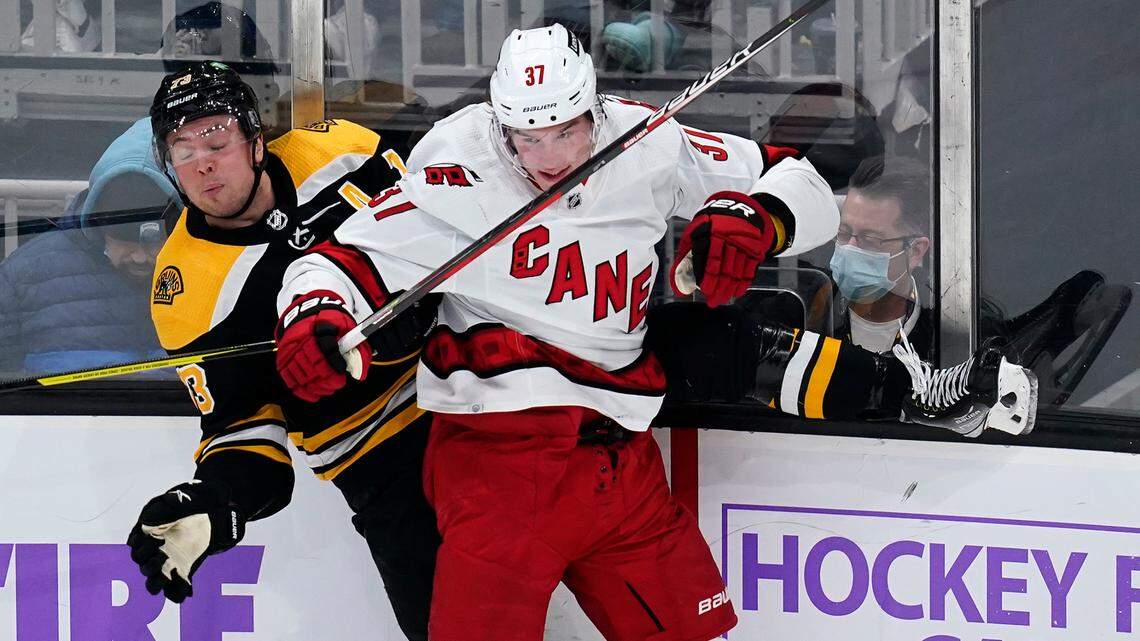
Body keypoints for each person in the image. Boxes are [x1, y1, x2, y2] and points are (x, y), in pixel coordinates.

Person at [273, 25, 1038, 641]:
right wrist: (313, 317)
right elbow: (343, 261)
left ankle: (916, 391)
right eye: (525, 138)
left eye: (564, 133)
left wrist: (755, 219)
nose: (544, 158)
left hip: (621, 467)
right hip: (498, 469)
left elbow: (802, 186)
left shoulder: (647, 145)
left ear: (594, 108)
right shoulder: (458, 165)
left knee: (729, 345)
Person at [123, 62, 439, 641]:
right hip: (384, 465)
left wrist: (421, 303)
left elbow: (447, 217)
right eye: (182, 150)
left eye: (216, 139)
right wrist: (217, 503)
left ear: (255, 139)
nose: (203, 163)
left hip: (482, 393)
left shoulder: (340, 150)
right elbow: (245, 431)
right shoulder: (185, 291)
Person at [0, 117, 179, 376]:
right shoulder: (22, 277)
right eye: (122, 239)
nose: (140, 258)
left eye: (153, 241)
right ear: (96, 226)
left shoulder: (221, 271)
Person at [829, 156, 934, 357]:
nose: (850, 249)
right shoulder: (803, 315)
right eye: (843, 233)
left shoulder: (953, 332)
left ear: (915, 251)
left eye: (869, 239)